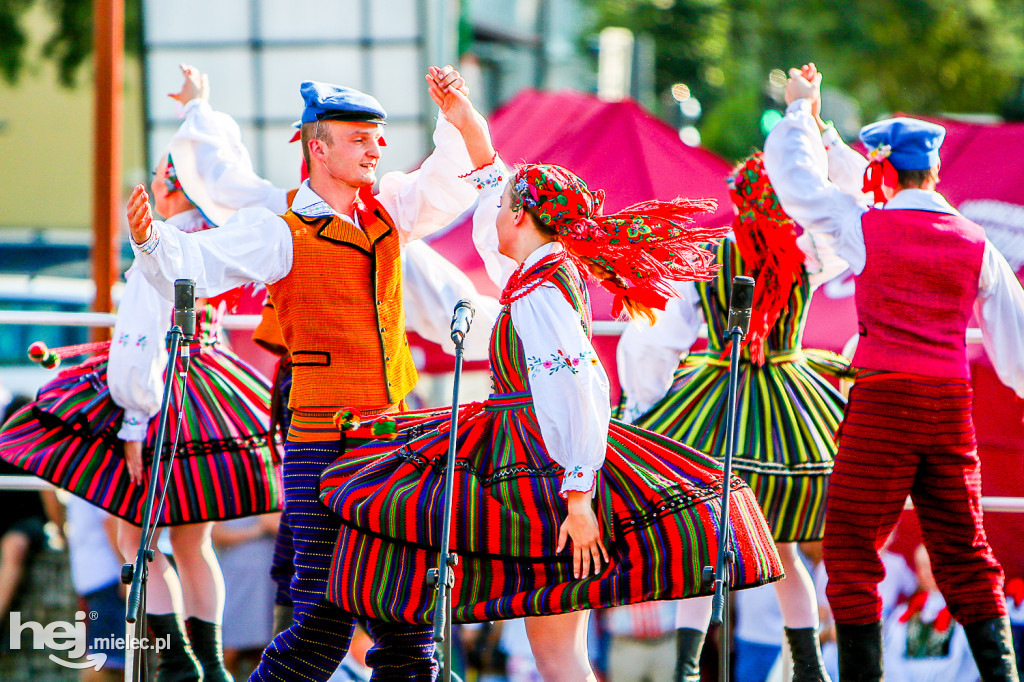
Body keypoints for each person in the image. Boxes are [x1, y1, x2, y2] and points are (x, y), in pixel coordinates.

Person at [318, 158, 784, 681]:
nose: (493, 215)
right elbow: (498, 255)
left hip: (540, 469)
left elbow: (580, 387)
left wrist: (580, 496)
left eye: (501, 205)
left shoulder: (540, 289)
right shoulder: (536, 275)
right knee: (556, 657)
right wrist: (478, 148)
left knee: (560, 658)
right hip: (531, 460)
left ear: (520, 217)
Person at [126, 66, 499, 681]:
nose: (377, 147)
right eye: (360, 137)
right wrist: (154, 243)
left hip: (392, 442)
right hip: (322, 444)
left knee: (409, 628)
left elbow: (443, 184)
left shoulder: (388, 216)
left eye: (377, 136)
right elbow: (204, 258)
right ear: (317, 148)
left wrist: (459, 119)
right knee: (323, 623)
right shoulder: (281, 230)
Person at [763, 62, 1024, 682]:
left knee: (851, 551)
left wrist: (801, 112)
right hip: (948, 407)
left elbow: (799, 185)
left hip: (882, 405)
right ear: (934, 169)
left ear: (879, 167)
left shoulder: (865, 224)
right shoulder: (974, 240)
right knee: (966, 553)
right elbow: (1015, 347)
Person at [616, 152, 849, 681]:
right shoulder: (809, 253)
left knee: (706, 542)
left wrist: (643, 407)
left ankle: (687, 667)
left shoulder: (713, 256)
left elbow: (657, 341)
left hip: (717, 402)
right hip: (790, 408)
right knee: (784, 550)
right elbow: (848, 216)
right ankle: (809, 668)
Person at [882, 545, 981, 682]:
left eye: (931, 566)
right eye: (921, 567)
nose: (926, 573)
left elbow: (971, 661)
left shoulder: (964, 612)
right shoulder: (904, 613)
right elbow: (891, 656)